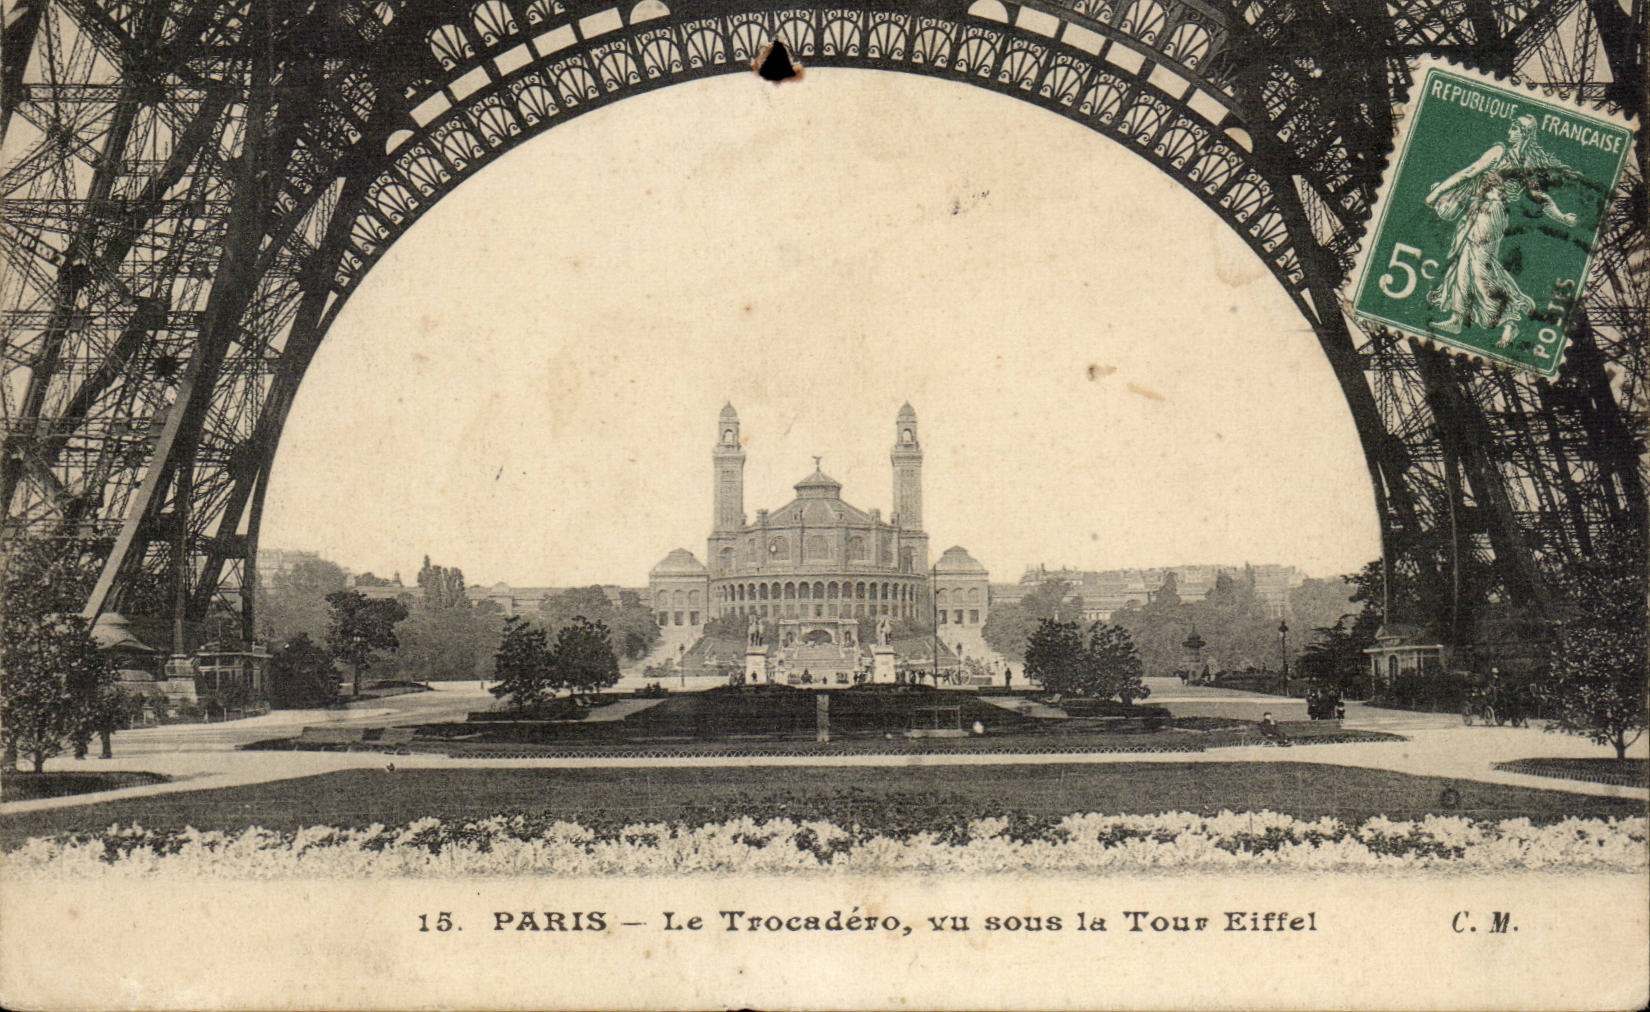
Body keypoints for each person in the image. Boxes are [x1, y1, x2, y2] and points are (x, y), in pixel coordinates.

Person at [1424, 114, 1579, 347]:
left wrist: (1563, 218)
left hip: (1491, 214)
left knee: (1478, 266)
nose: (1510, 131)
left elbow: (1471, 173)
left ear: (1524, 134)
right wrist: (1564, 218)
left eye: (1515, 128)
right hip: (1480, 211)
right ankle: (1460, 317)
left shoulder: (1505, 154)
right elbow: (1473, 173)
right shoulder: (1521, 161)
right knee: (1466, 261)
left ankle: (1510, 317)